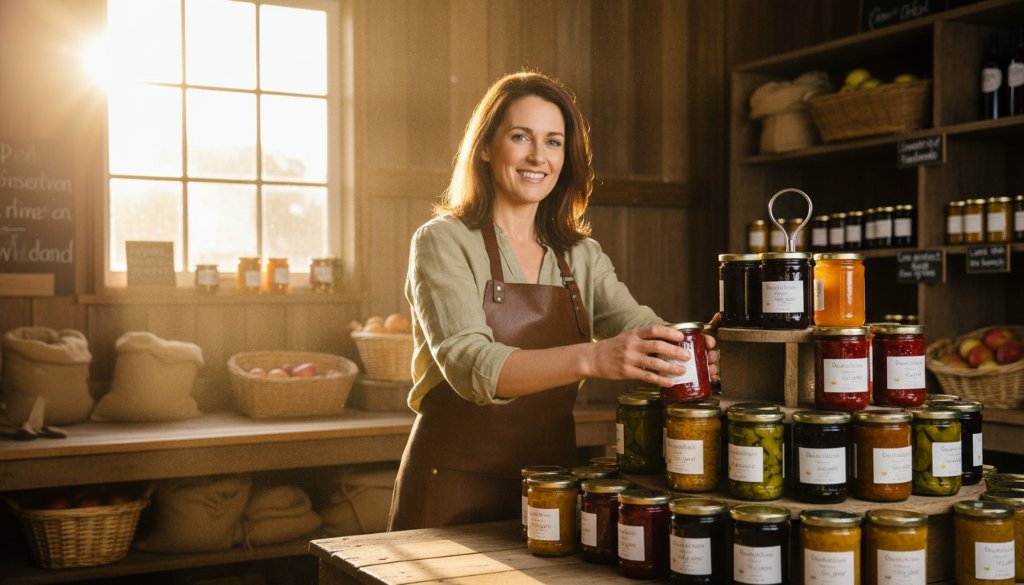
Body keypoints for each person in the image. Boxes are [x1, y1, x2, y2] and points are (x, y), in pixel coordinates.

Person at [387, 71, 720, 531]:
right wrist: (594, 358)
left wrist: (686, 351)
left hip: (552, 487)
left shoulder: (580, 255)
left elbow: (637, 325)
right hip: (451, 486)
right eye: (520, 137)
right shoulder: (443, 241)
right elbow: (470, 367)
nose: (537, 157)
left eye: (554, 142)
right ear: (486, 146)